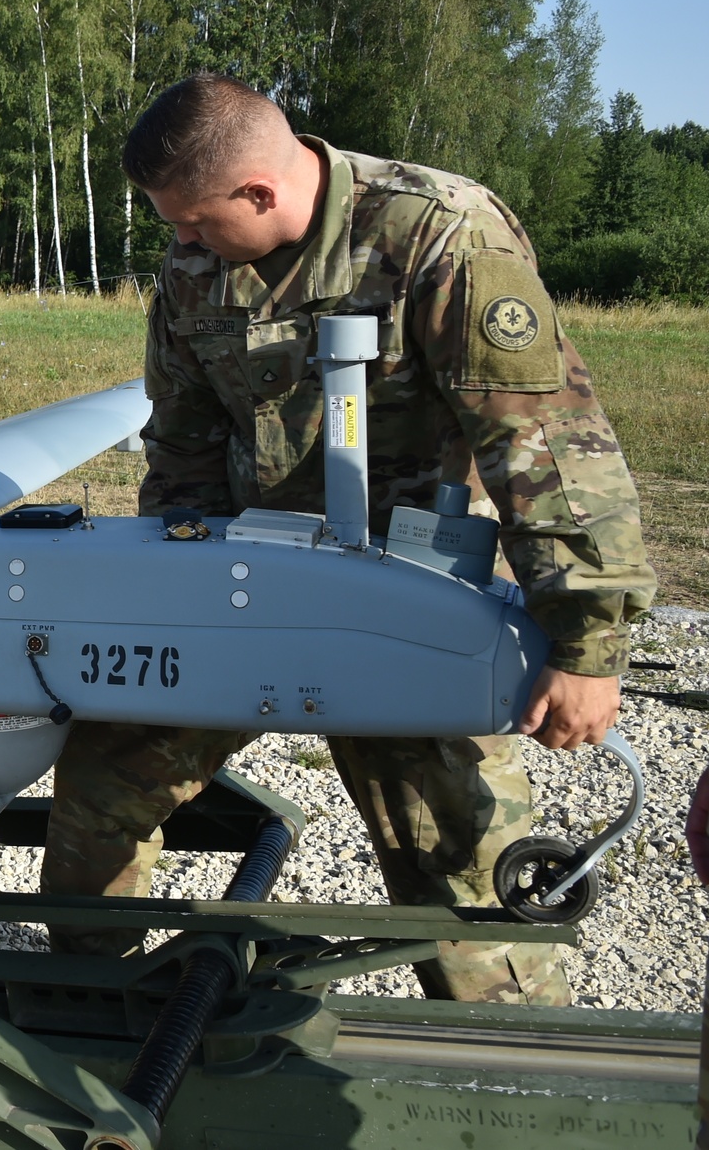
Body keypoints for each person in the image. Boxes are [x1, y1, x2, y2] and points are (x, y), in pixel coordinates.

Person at [40, 73, 657, 1005]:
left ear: (260, 191)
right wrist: (166, 601)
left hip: (401, 602)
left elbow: (546, 448)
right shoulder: (196, 265)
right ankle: (85, 1013)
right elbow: (183, 442)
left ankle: (509, 1055)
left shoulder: (440, 235)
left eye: (197, 222)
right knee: (103, 781)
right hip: (242, 586)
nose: (183, 243)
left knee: (457, 860)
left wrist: (587, 645)